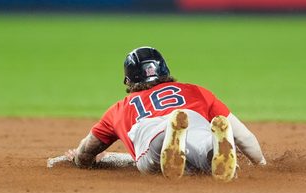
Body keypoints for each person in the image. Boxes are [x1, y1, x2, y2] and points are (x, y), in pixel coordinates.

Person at [65, 46, 266, 181]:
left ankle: (168, 141)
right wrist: (262, 165)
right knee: (201, 146)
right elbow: (244, 137)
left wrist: (80, 159)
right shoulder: (195, 91)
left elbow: (86, 152)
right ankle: (211, 150)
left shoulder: (120, 108)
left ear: (128, 80)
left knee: (153, 158)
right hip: (191, 118)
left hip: (151, 129)